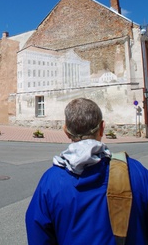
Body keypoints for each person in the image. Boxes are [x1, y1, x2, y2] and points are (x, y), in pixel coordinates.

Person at [25, 98, 148, 244]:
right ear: (102, 128)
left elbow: (38, 236)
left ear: (66, 131)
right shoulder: (135, 172)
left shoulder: (50, 182)